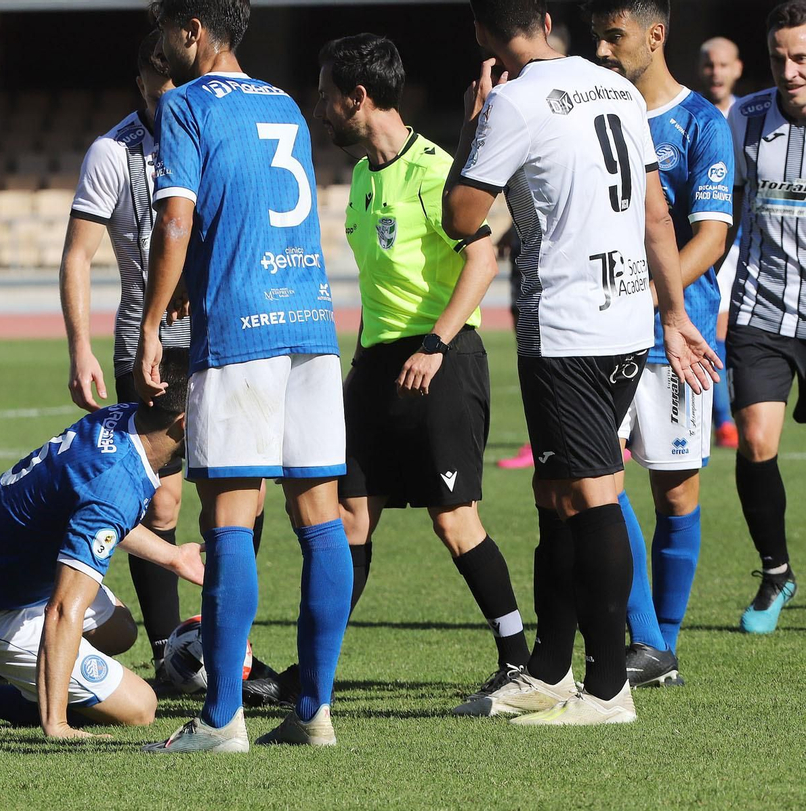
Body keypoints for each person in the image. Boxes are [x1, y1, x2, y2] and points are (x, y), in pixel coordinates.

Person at [443, 0, 721, 725]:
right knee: (555, 491)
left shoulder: (511, 100)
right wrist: (673, 313)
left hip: (567, 326)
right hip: (628, 320)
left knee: (593, 495)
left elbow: (461, 215)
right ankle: (551, 669)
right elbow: (657, 214)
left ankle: (607, 686)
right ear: (544, 16)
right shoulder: (616, 88)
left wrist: (473, 127)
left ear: (483, 33)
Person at [138, 0, 352, 752]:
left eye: (166, 28)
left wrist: (152, 319)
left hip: (242, 329)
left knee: (229, 516)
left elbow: (176, 220)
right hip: (312, 320)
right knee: (319, 517)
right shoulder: (285, 101)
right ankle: (314, 712)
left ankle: (222, 718)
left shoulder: (186, 104)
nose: (162, 44)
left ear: (192, 31)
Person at [312, 33, 531, 714]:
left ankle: (518, 659)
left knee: (454, 519)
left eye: (327, 95)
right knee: (349, 516)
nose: (320, 107)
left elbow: (483, 259)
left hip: (441, 359)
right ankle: (317, 671)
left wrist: (435, 343)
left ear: (358, 98)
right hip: (375, 364)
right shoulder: (363, 175)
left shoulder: (437, 171)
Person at [0, 352, 204, 737]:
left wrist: (171, 556)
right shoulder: (115, 482)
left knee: (119, 630)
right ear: (184, 423)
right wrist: (57, 723)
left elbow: (89, 509)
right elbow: (63, 609)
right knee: (140, 707)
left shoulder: (119, 421)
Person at [589, 0, 735, 686]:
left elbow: (710, 234)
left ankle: (662, 648)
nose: (602, 48)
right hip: (595, 332)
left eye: (614, 36)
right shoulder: (592, 110)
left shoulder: (702, 123)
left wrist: (652, 296)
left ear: (654, 36)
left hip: (675, 338)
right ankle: (644, 636)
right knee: (601, 479)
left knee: (677, 494)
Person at [61, 31, 192, 684]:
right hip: (150, 349)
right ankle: (170, 650)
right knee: (162, 506)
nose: (170, 100)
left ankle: (230, 643)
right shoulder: (113, 152)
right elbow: (78, 254)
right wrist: (80, 345)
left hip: (228, 339)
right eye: (158, 88)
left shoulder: (212, 135)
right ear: (140, 83)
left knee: (241, 498)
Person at [724, 1, 806, 633]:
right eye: (780, 57)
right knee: (755, 443)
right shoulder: (745, 118)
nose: (790, 69)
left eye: (801, 57)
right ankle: (775, 572)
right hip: (761, 311)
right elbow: (720, 212)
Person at [702, 36, 746, 448]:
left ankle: (728, 413)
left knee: (732, 330)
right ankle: (724, 419)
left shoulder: (749, 117)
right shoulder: (694, 116)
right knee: (714, 326)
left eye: (723, 65)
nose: (716, 72)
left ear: (737, 68)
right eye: (709, 65)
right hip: (711, 239)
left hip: (746, 242)